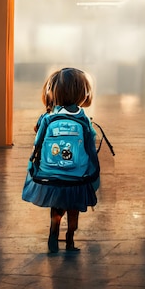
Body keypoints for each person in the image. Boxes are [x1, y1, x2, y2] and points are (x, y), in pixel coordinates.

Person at [22, 67, 100, 253]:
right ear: (83, 93)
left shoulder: (48, 118)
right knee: (74, 211)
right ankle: (70, 241)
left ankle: (53, 237)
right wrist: (93, 172)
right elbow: (91, 149)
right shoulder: (83, 119)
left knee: (56, 209)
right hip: (78, 176)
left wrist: (33, 167)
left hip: (52, 174)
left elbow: (37, 144)